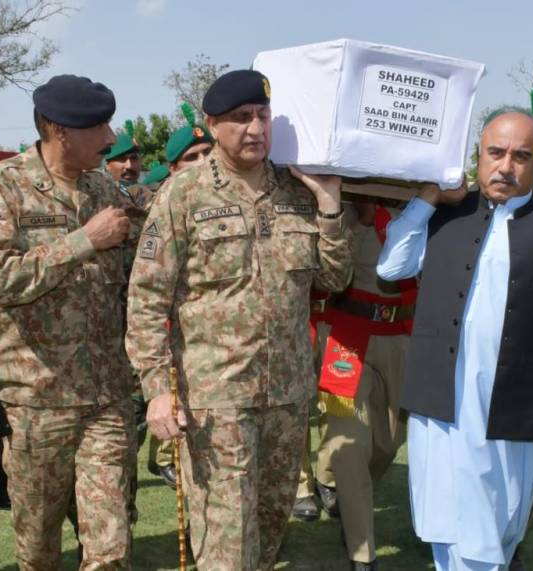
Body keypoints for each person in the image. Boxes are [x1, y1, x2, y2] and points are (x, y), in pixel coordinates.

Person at [126, 69, 352, 570]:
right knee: (226, 545)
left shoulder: (297, 190)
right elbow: (146, 298)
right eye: (240, 118)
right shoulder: (184, 195)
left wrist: (330, 205)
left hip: (288, 396)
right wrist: (155, 387)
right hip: (215, 400)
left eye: (262, 116)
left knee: (269, 530)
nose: (255, 128)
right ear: (211, 125)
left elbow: (334, 280)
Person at [376, 107, 533, 570]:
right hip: (440, 403)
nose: (506, 166)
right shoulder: (442, 216)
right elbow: (391, 267)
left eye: (521, 156)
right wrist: (427, 197)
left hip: (508, 407)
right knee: (445, 520)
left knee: (494, 524)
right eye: (495, 152)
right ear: (477, 157)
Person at [0, 74, 136, 569]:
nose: (111, 138)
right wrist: (84, 240)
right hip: (34, 401)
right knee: (39, 549)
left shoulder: (103, 187)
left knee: (111, 546)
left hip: (105, 397)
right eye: (99, 126)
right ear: (58, 130)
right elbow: (0, 281)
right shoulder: (3, 186)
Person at [311, 194, 415, 570]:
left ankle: (349, 496)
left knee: (388, 441)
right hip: (346, 335)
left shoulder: (420, 203)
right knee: (351, 443)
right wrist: (353, 218)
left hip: (400, 333)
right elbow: (322, 270)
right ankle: (362, 553)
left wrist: (386, 214)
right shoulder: (338, 208)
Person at [145, 103, 217, 488]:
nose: (203, 162)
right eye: (193, 157)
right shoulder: (167, 207)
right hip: (179, 347)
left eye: (209, 153)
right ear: (172, 170)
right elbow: (148, 294)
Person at [105, 120, 142, 187]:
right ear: (107, 165)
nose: (129, 166)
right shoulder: (97, 195)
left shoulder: (154, 195)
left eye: (134, 158)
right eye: (121, 159)